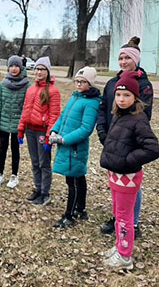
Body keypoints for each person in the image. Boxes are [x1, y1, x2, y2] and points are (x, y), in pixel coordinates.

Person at [100, 71, 159, 269]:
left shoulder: (139, 119)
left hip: (128, 177)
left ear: (135, 97)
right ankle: (119, 246)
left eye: (126, 95)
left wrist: (128, 160)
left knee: (125, 217)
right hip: (114, 175)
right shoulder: (118, 115)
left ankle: (125, 256)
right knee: (118, 213)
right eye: (118, 95)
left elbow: (152, 149)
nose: (121, 99)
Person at [96, 36, 153, 238]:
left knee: (131, 185)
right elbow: (103, 108)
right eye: (120, 58)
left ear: (135, 59)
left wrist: (129, 141)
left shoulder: (143, 84)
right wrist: (103, 132)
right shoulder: (113, 83)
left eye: (127, 58)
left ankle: (133, 222)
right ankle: (118, 217)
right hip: (112, 141)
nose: (123, 62)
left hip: (130, 141)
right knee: (116, 184)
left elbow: (144, 115)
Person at [49, 67, 101, 228]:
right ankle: (80, 209)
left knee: (73, 181)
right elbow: (63, 116)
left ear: (90, 83)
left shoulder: (92, 103)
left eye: (82, 82)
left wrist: (65, 139)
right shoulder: (75, 97)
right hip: (66, 144)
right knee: (78, 178)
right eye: (77, 81)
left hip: (75, 148)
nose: (78, 84)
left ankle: (69, 216)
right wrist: (54, 130)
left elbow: (86, 129)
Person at [18, 56, 60, 206]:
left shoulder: (53, 91)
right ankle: (37, 188)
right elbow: (25, 110)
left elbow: (54, 115)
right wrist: (21, 129)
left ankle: (45, 192)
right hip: (30, 130)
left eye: (42, 69)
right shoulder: (30, 89)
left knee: (44, 163)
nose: (39, 72)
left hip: (42, 132)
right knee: (35, 162)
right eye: (37, 69)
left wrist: (49, 136)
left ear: (48, 72)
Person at [0, 56, 30, 189]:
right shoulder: (3, 84)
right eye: (11, 66)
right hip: (3, 122)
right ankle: (0, 174)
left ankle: (14, 175)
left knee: (15, 149)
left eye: (16, 66)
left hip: (17, 124)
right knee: (2, 148)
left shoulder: (27, 85)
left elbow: (27, 106)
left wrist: (23, 124)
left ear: (21, 67)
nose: (14, 69)